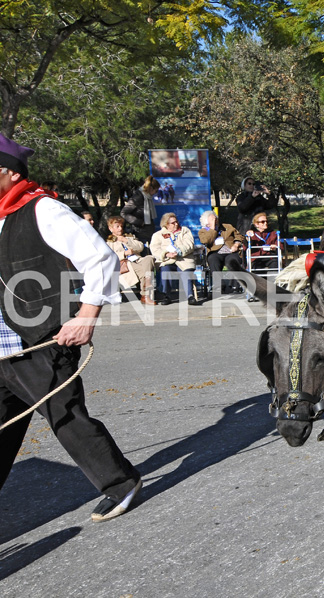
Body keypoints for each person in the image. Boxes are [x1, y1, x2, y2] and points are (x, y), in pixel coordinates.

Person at [0, 134, 142, 521]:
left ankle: (121, 483)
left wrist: (86, 315)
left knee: (65, 417)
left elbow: (101, 259)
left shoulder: (43, 210)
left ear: (10, 173)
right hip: (1, 345)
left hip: (41, 338)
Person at [149, 212, 200, 305]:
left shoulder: (184, 230)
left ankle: (190, 296)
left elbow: (189, 244)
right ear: (166, 224)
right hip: (167, 260)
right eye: (173, 223)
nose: (176, 224)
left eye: (176, 222)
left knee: (186, 271)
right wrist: (166, 254)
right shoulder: (158, 235)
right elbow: (154, 249)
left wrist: (179, 251)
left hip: (183, 259)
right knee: (165, 270)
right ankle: (166, 296)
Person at [106, 215, 156, 304]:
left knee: (149, 259)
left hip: (138, 259)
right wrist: (123, 254)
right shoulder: (109, 243)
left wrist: (126, 241)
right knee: (144, 272)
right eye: (117, 226)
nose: (120, 229)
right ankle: (146, 295)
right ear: (111, 228)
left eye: (121, 226)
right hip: (125, 263)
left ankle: (145, 295)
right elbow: (110, 256)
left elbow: (140, 247)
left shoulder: (129, 237)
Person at [199, 210, 246, 294]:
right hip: (216, 252)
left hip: (231, 251)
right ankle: (219, 285)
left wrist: (236, 244)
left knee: (233, 260)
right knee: (213, 259)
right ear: (207, 223)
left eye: (216, 219)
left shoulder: (227, 226)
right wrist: (213, 229)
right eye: (213, 220)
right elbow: (206, 240)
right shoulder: (203, 231)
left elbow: (239, 236)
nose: (216, 221)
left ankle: (235, 286)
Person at [121, 176, 160, 243]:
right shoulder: (138, 197)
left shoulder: (148, 197)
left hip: (148, 229)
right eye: (156, 190)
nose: (155, 193)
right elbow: (124, 213)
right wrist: (139, 222)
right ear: (151, 188)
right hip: (139, 230)